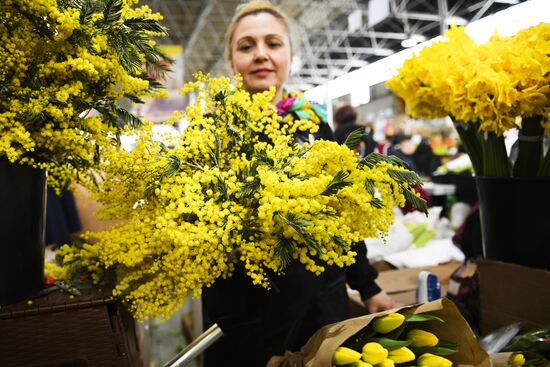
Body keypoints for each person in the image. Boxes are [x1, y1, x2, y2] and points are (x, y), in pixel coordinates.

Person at [201, 2, 394, 365]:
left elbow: (344, 212)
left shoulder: (313, 124)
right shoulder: (212, 134)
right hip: (250, 313)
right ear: (231, 60)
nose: (261, 55)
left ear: (290, 53)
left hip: (321, 305)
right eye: (247, 46)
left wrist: (367, 286)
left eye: (273, 43)